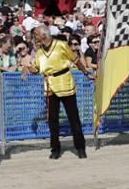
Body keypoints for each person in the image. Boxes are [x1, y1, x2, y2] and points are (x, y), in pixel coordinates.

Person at [32, 25, 90, 159]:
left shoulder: (62, 45)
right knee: (52, 120)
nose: (35, 37)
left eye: (36, 34)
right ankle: (55, 149)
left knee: (73, 117)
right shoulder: (39, 51)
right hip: (50, 88)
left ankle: (80, 147)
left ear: (43, 35)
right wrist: (27, 68)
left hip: (65, 84)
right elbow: (36, 68)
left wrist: (86, 73)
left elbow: (75, 61)